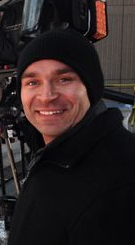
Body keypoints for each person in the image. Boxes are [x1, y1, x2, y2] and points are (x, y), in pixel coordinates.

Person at [8, 29, 135, 244]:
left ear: (90, 88)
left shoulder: (117, 186)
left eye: (64, 79)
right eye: (32, 82)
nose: (47, 96)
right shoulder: (58, 156)